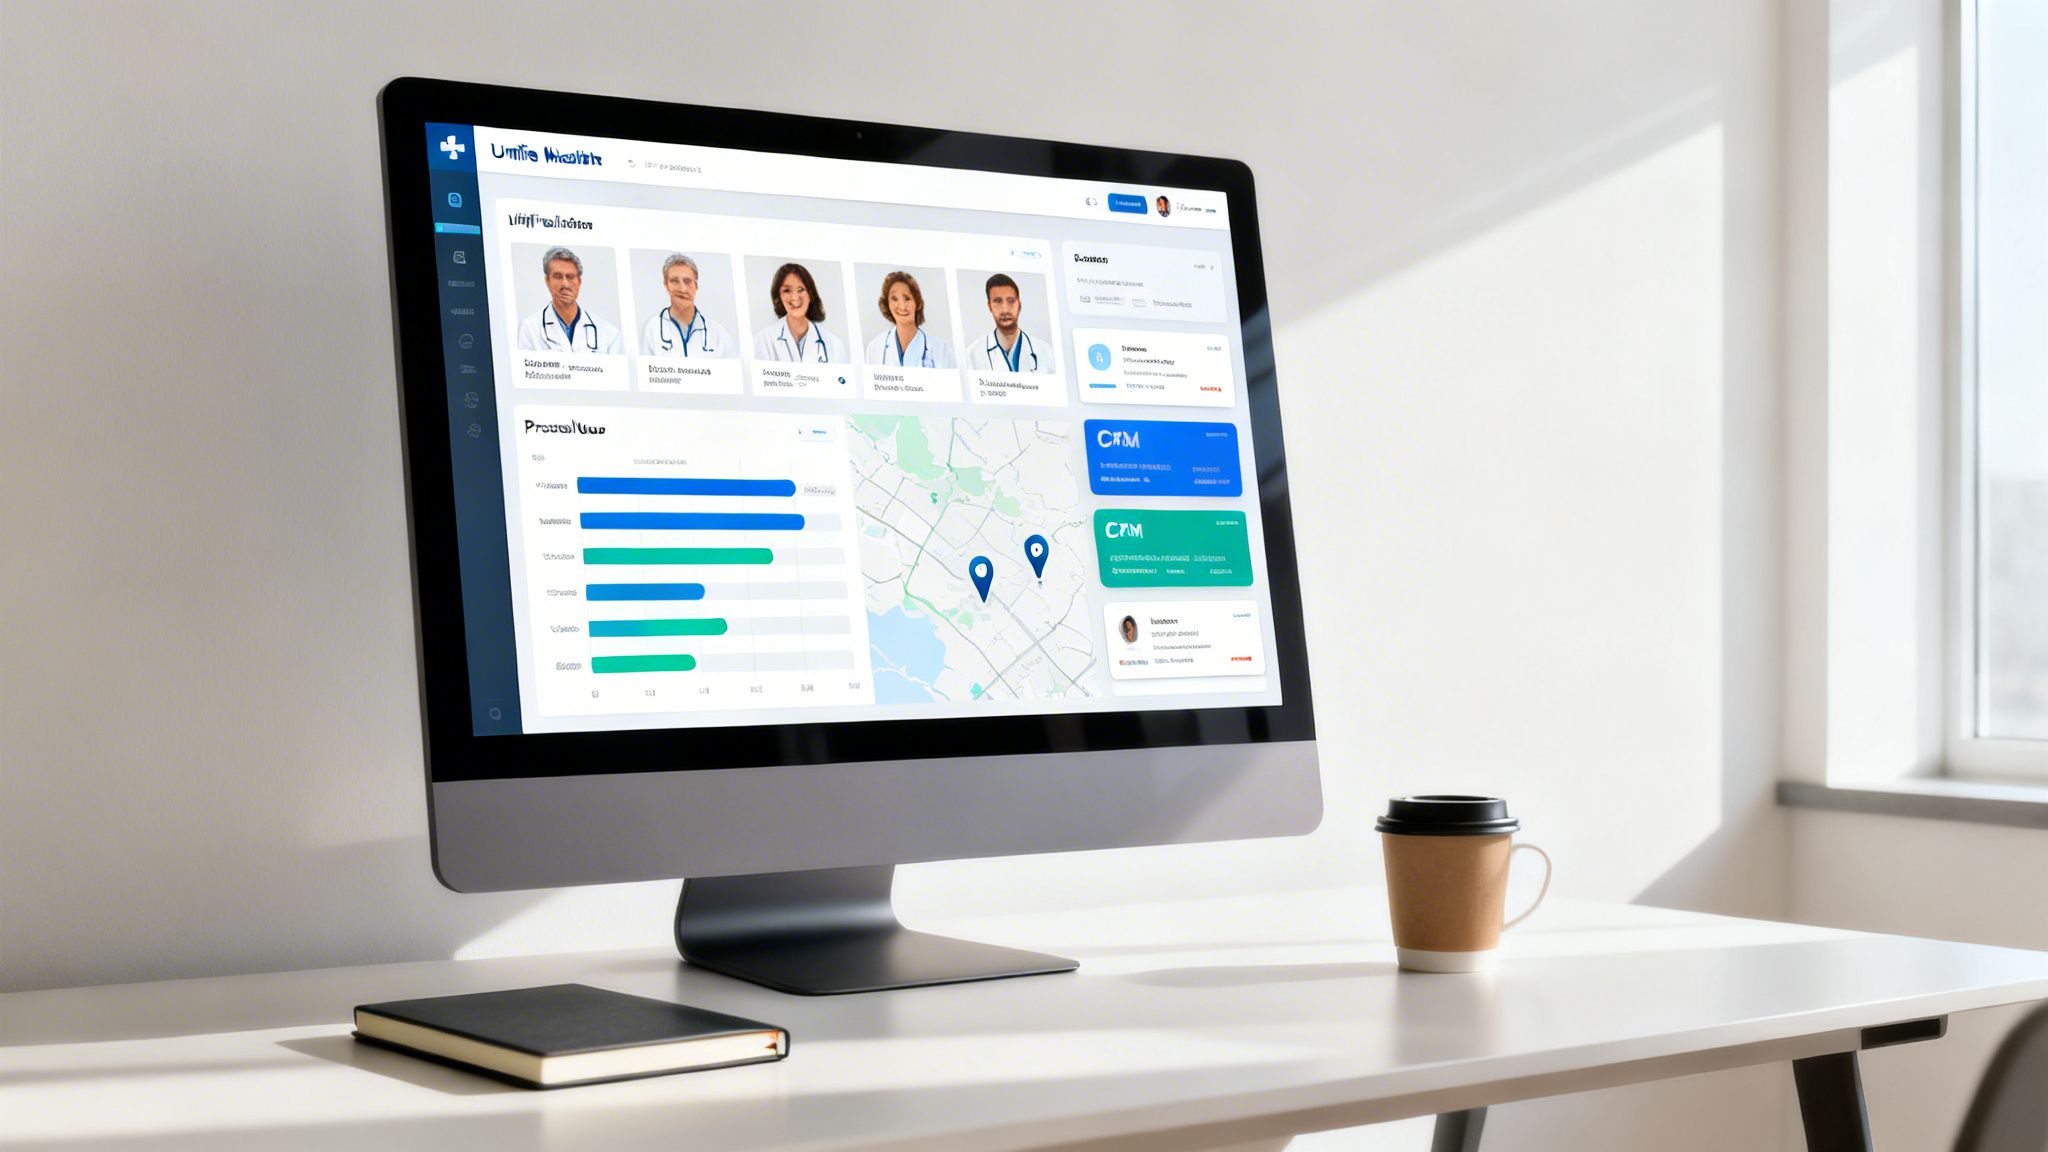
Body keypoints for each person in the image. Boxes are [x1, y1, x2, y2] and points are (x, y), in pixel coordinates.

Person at [516, 247, 623, 353]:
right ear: (547, 281)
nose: (565, 284)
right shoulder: (530, 328)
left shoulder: (609, 335)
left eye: (570, 277)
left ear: (579, 281)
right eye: (558, 277)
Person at [640, 254, 733, 358]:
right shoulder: (653, 328)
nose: (682, 289)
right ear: (666, 285)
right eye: (674, 281)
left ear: (696, 285)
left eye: (687, 281)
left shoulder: (719, 335)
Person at [753, 262, 847, 363]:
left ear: (810, 294)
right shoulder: (764, 340)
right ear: (779, 297)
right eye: (787, 290)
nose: (794, 298)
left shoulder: (834, 345)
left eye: (801, 289)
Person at [864, 271, 956, 369]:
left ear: (918, 303)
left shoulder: (942, 350)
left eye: (907, 299)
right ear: (887, 304)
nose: (902, 307)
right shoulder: (875, 348)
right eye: (894, 299)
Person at [967, 273, 1049, 373]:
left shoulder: (1046, 352)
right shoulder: (972, 355)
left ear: (1019, 304)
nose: (1005, 309)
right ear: (989, 306)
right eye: (998, 301)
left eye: (1011, 301)